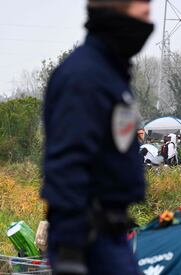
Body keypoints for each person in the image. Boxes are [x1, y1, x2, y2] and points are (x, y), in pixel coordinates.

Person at [41, 1, 153, 274]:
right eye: (143, 16)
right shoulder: (85, 77)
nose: (149, 26)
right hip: (88, 236)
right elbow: (69, 159)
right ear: (115, 16)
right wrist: (70, 251)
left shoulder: (109, 73)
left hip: (110, 231)